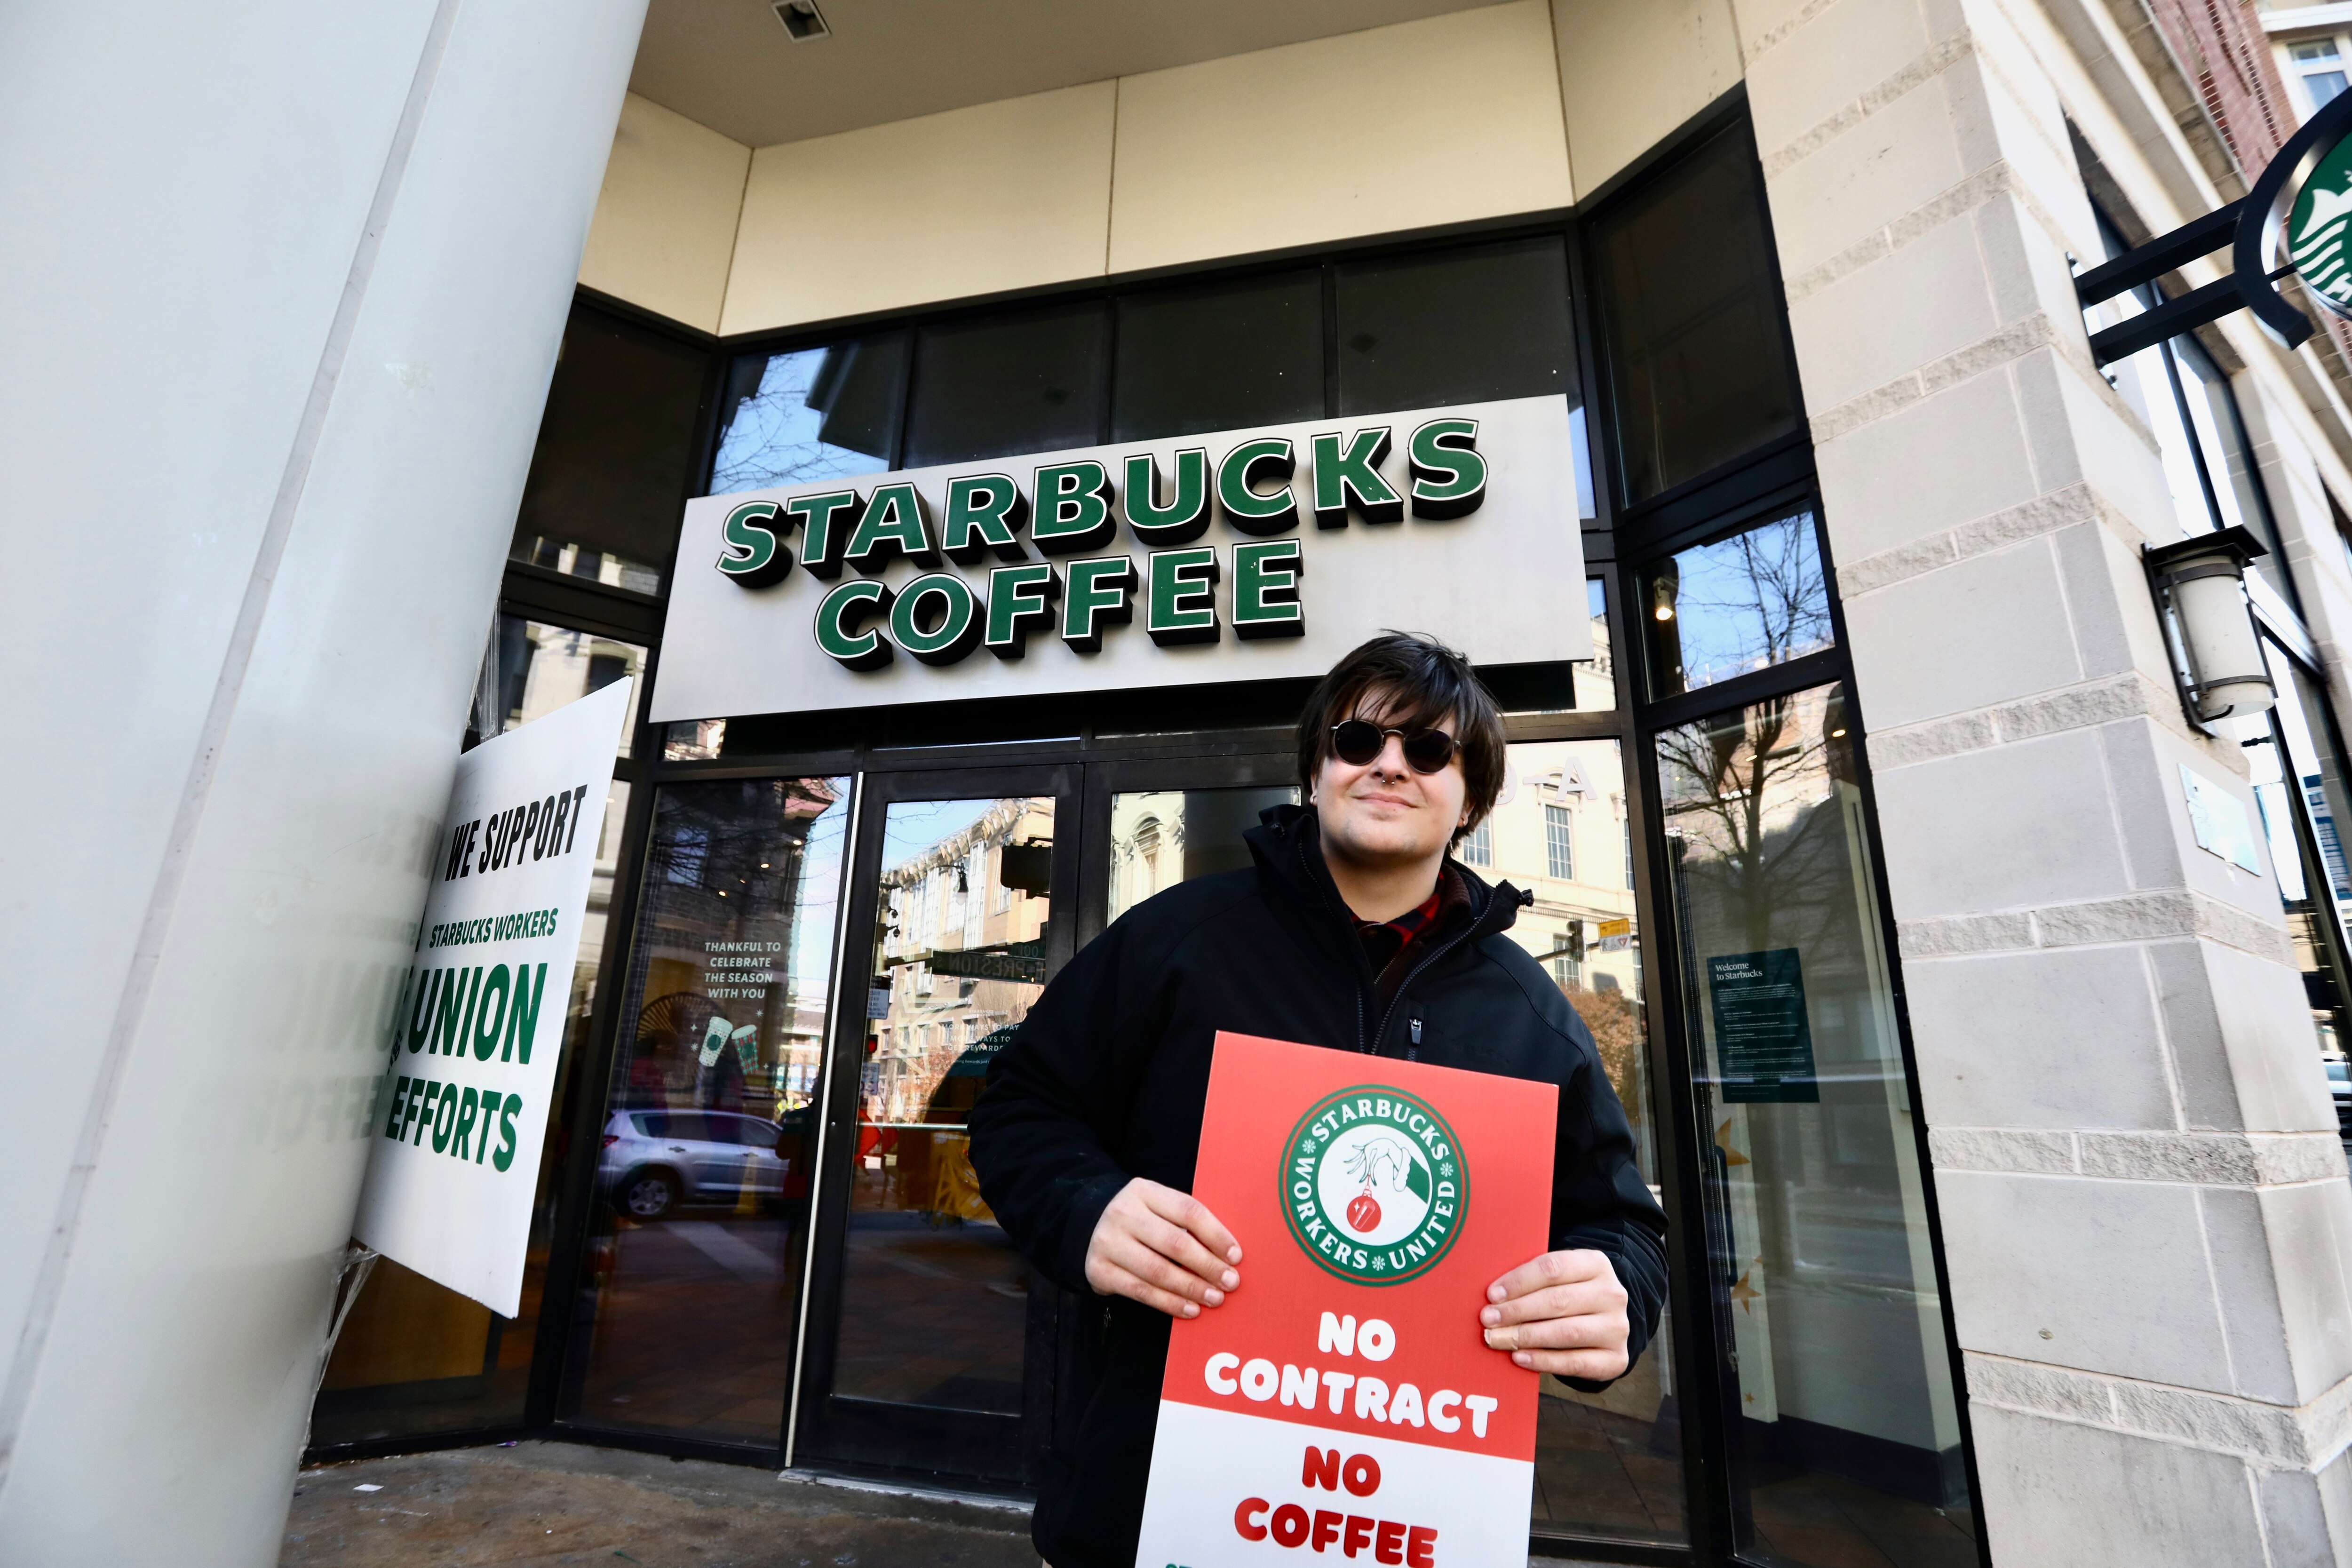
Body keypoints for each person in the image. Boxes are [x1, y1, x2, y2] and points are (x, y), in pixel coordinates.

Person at [969, 632, 1668, 1568]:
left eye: (1428, 748)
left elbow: (1618, 1223)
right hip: (1148, 1502)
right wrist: (1084, 1206)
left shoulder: (1533, 1015)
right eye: (1356, 740)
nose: (1389, 763)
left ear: (1473, 798)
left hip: (1410, 1515)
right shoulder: (1175, 941)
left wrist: (1612, 1288)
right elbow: (1022, 1102)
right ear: (1315, 767)